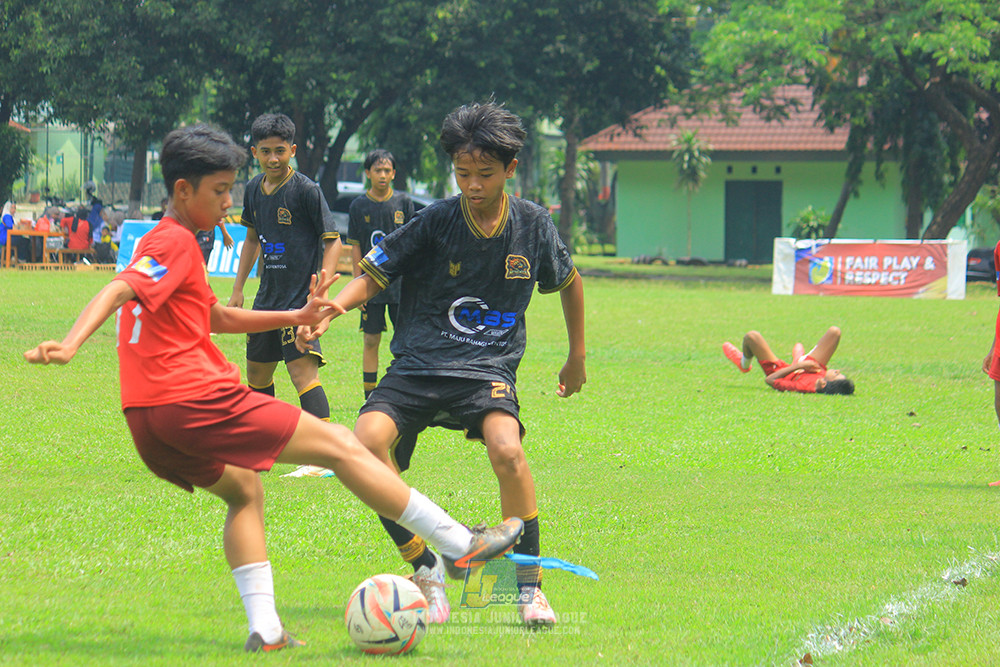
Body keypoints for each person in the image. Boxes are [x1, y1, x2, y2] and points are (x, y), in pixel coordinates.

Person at [23, 124, 523, 654]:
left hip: (147, 421)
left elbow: (211, 316)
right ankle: (458, 545)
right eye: (218, 192)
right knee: (343, 446)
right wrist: (73, 341)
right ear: (183, 191)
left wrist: (296, 313)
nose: (227, 204)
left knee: (245, 490)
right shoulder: (171, 240)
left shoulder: (169, 244)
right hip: (193, 399)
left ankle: (265, 629)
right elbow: (120, 286)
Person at [299, 101, 587, 627]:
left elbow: (569, 284)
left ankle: (527, 589)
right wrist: (335, 306)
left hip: (486, 367)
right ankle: (426, 565)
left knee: (508, 451)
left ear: (510, 170)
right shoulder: (434, 221)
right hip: (419, 362)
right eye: (462, 174)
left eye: (485, 174)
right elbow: (377, 273)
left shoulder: (533, 225)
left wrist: (576, 357)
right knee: (364, 443)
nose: (472, 185)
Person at [228, 113, 343, 479]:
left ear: (292, 150)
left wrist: (322, 290)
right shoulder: (251, 190)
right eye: (266, 151)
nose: (274, 158)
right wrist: (237, 289)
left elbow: (333, 240)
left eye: (280, 151)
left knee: (301, 373)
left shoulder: (306, 190)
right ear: (254, 152)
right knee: (258, 375)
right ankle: (265, 448)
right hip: (266, 299)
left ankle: (323, 457)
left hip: (300, 300)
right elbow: (250, 239)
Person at [346, 149, 415, 399]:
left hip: (400, 285)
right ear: (368, 173)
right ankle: (370, 395)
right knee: (371, 340)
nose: (382, 175)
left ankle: (404, 389)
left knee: (404, 341)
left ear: (394, 174)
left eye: (387, 170)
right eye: (378, 170)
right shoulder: (358, 205)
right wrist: (357, 285)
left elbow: (411, 243)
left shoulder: (404, 203)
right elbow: (355, 246)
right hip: (370, 283)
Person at [723, 326, 855, 394]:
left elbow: (770, 380)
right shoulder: (821, 377)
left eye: (836, 374)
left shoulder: (803, 387)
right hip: (807, 368)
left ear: (823, 383)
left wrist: (798, 366)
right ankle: (798, 360)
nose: (837, 370)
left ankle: (743, 364)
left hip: (781, 371)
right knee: (835, 332)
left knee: (751, 337)